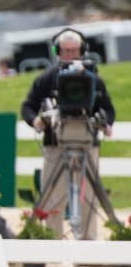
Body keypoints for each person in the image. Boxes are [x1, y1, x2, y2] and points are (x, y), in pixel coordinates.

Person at [20, 29, 115, 240]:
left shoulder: (93, 79)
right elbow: (28, 106)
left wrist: (107, 123)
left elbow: (107, 108)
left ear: (82, 50)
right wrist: (35, 121)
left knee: (89, 195)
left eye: (74, 50)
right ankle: (52, 240)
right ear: (57, 51)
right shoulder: (46, 79)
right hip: (55, 143)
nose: (70, 55)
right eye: (66, 51)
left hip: (87, 141)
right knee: (52, 195)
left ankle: (88, 241)